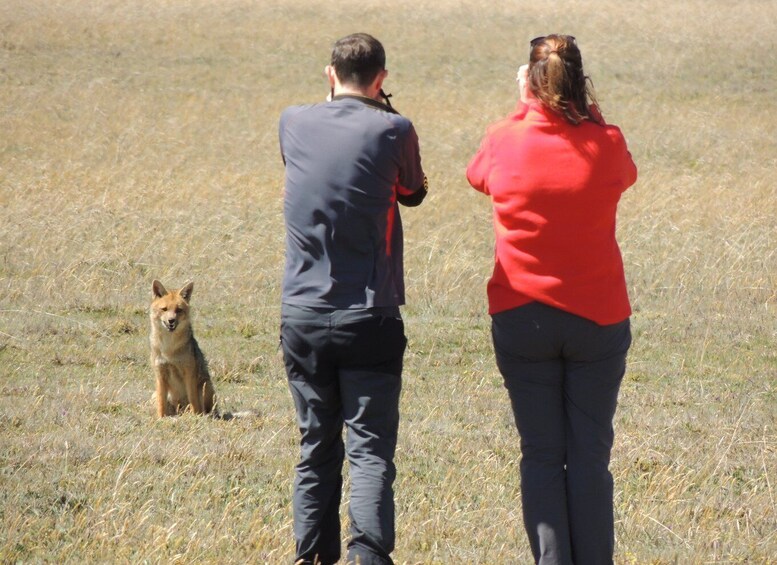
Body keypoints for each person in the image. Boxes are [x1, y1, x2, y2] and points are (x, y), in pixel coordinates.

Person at [466, 34, 637, 565]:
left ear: (531, 82)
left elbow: (478, 177)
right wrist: (590, 116)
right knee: (590, 457)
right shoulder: (606, 141)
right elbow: (625, 172)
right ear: (580, 82)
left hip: (522, 317)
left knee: (541, 454)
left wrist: (524, 109)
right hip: (598, 318)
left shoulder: (503, 138)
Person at [278, 33, 428, 565]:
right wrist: (382, 111)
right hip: (370, 315)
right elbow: (414, 192)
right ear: (381, 79)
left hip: (302, 314)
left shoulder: (292, 121)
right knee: (369, 451)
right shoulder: (394, 128)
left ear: (329, 74)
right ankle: (368, 556)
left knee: (315, 447)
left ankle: (310, 556)